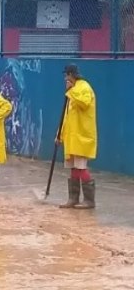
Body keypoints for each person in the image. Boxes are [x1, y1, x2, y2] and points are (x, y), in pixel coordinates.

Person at [59, 64, 97, 209]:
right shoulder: (74, 90)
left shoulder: (84, 88)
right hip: (73, 137)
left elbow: (85, 103)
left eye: (66, 75)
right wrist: (60, 134)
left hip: (82, 136)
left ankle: (89, 200)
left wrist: (71, 91)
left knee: (81, 167)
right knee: (74, 168)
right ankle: (73, 198)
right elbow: (68, 116)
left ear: (71, 75)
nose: (65, 78)